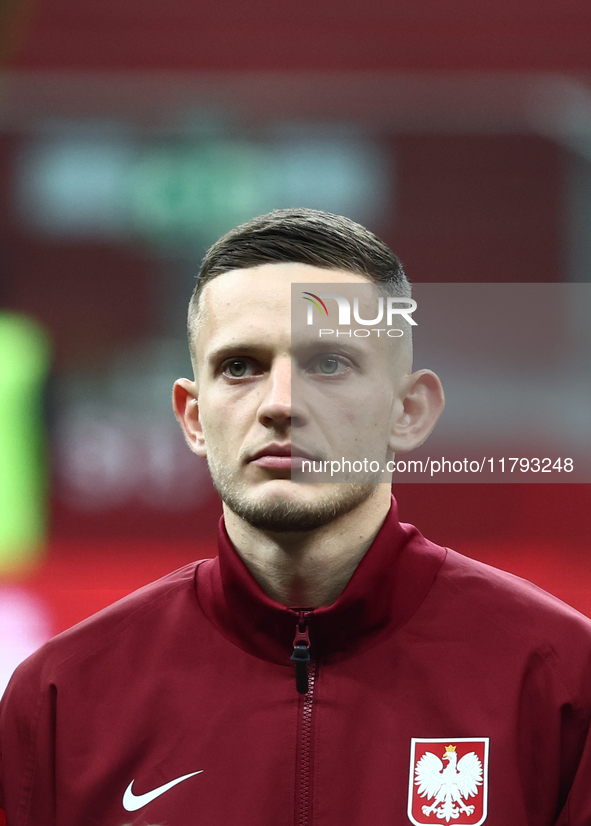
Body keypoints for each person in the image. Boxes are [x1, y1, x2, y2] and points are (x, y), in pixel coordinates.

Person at [1, 208, 590, 826]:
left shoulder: (557, 682)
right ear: (194, 417)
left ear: (409, 410)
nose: (281, 404)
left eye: (329, 364)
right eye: (241, 367)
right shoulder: (63, 699)